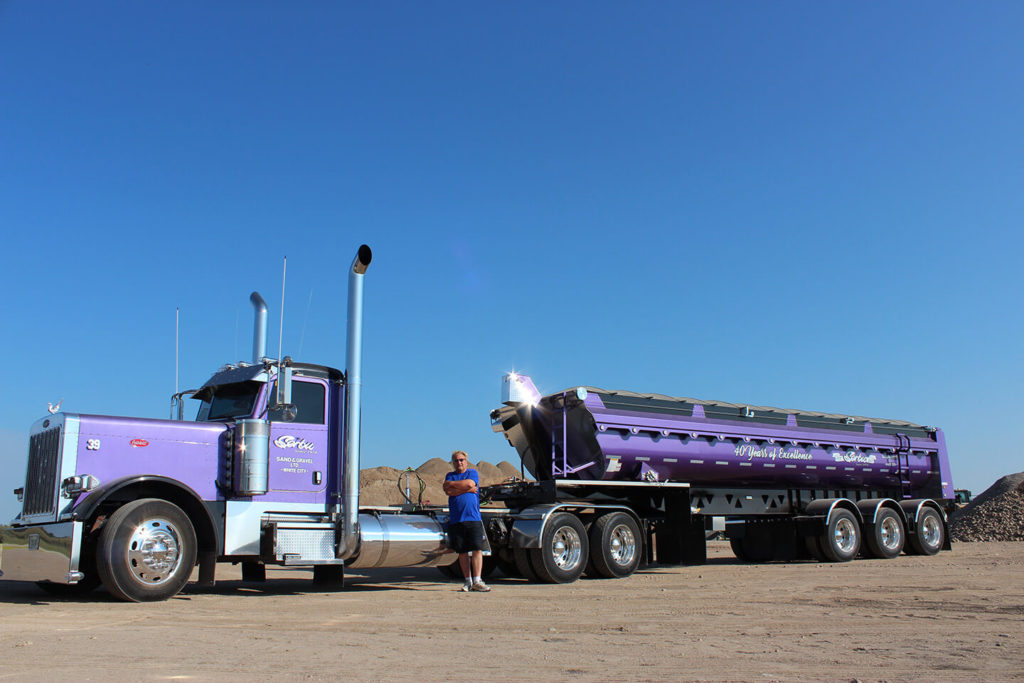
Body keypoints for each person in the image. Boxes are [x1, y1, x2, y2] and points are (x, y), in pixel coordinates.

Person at [442, 450, 491, 592]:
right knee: (462, 551)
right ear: (453, 462)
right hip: (457, 518)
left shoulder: (472, 473)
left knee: (476, 549)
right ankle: (467, 581)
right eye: (456, 460)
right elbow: (447, 489)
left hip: (473, 517)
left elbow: (470, 483)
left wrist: (455, 486)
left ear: (466, 461)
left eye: (462, 460)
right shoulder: (449, 475)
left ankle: (477, 580)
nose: (459, 462)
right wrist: (465, 489)